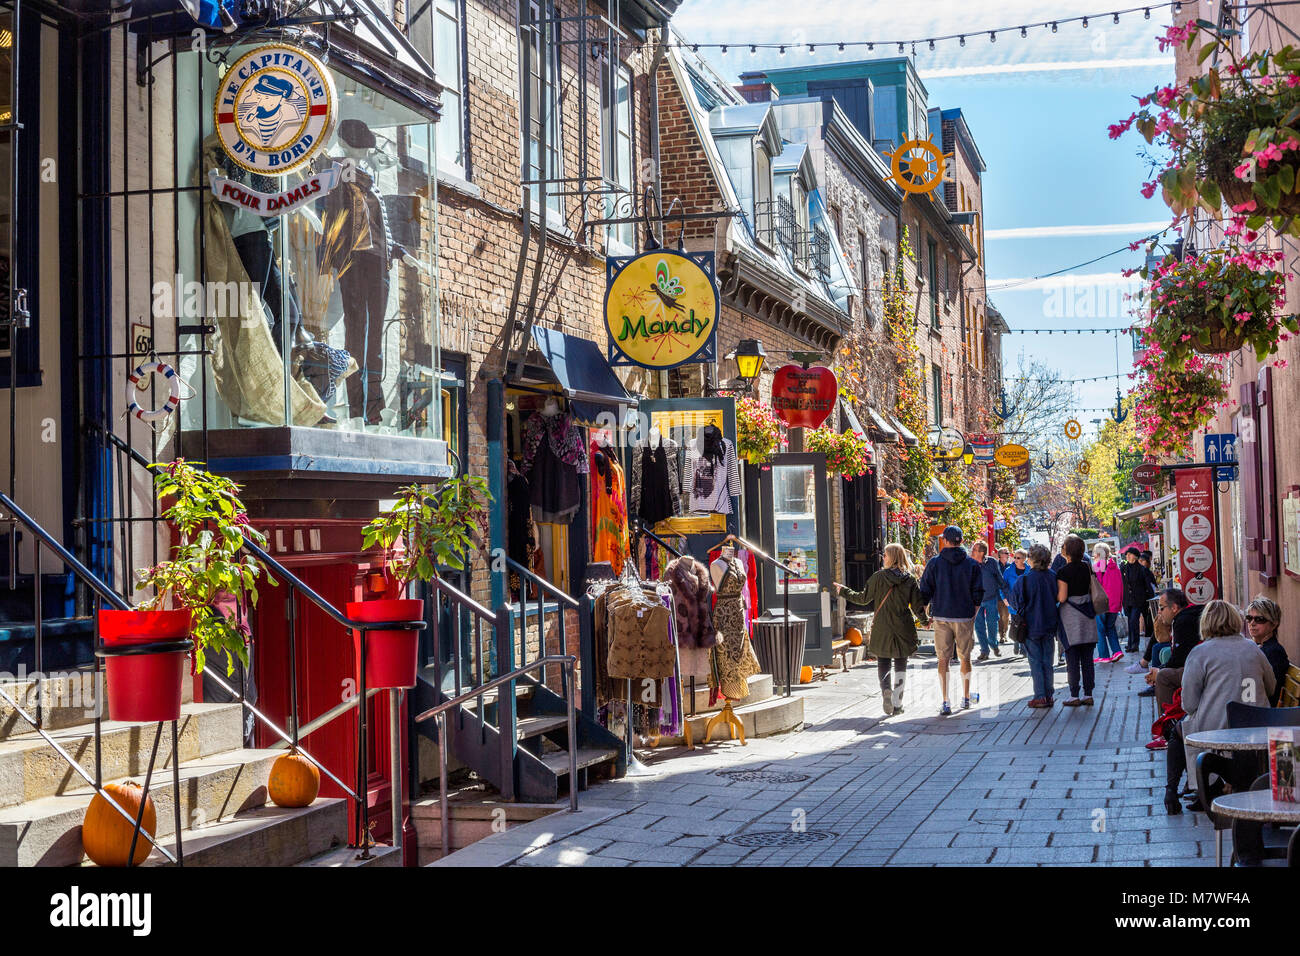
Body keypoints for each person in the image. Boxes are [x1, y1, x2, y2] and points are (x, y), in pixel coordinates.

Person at [1163, 600, 1276, 815]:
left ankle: (1172, 791)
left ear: (1206, 623)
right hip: (1255, 724)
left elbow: (1189, 703)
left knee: (1178, 732)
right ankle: (1210, 787)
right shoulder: (1252, 648)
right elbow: (1270, 687)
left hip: (1217, 728)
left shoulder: (1200, 653)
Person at [838, 543, 928, 716]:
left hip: (882, 626)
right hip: (903, 627)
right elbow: (917, 606)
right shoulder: (909, 580)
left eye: (885, 555)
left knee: (883, 662)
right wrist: (924, 622)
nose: (883, 558)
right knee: (901, 665)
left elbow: (863, 599)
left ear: (892, 557)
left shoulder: (878, 577)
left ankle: (886, 690)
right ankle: (898, 703)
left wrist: (844, 591)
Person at [918, 525, 983, 716]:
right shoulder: (972, 564)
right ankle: (965, 697)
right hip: (964, 615)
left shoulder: (935, 563)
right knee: (965, 657)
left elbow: (925, 591)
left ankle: (945, 700)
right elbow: (978, 593)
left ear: (945, 541)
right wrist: (973, 614)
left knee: (943, 659)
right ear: (961, 541)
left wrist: (924, 615)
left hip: (942, 616)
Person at [1144, 588, 1204, 719]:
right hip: (1199, 666)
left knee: (1164, 677)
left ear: (1174, 608)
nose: (1159, 612)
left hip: (1202, 670)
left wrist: (1159, 671)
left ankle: (1167, 724)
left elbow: (1179, 659)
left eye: (1162, 607)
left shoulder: (1183, 621)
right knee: (1160, 657)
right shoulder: (1186, 616)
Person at [1012, 545, 1059, 708]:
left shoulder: (1024, 580)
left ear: (1032, 560)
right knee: (1048, 661)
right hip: (1050, 624)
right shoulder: (1053, 576)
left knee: (1035, 661)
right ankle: (1049, 694)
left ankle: (1040, 696)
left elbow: (1016, 602)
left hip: (1031, 625)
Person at [1055, 534, 1099, 706]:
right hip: (1088, 614)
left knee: (1072, 657)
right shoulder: (1087, 567)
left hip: (1071, 618)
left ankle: (1074, 694)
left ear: (1067, 551)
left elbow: (1063, 597)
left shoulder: (1063, 572)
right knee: (1088, 658)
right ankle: (1088, 694)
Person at [1244, 596, 1290, 706]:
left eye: (1259, 619)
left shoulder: (1273, 652)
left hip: (1263, 713)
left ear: (1274, 624)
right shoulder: (1260, 647)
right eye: (1249, 618)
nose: (1252, 623)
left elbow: (1266, 691)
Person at [971, 540, 1009, 661]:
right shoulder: (970, 563)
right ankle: (984, 651)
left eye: (974, 549)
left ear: (982, 552)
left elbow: (999, 577)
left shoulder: (991, 562)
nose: (972, 551)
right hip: (975, 601)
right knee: (979, 626)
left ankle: (993, 644)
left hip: (991, 598)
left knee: (992, 623)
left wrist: (1007, 593)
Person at [1121, 544, 1157, 662]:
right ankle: (1130, 642)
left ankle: (1134, 644)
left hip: (1138, 599)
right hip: (1127, 599)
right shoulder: (1124, 568)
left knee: (1133, 621)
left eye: (1129, 554)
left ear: (1135, 557)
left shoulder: (1142, 569)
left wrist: (1151, 598)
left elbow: (1148, 584)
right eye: (1127, 554)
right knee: (1130, 620)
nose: (1127, 556)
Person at [1092, 543, 1125, 663]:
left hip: (1102, 604)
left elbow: (1097, 585)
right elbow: (1121, 586)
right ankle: (1117, 651)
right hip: (1115, 604)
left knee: (1100, 629)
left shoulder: (1098, 566)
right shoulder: (1115, 567)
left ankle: (1104, 655)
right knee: (1110, 628)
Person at [1003, 549, 1029, 655]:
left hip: (1026, 603)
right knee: (1016, 624)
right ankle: (1016, 643)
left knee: (1025, 624)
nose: (1015, 560)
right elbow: (1003, 586)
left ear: (1024, 559)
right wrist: (1005, 598)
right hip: (1013, 603)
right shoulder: (1008, 571)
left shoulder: (1030, 570)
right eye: (1015, 557)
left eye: (1018, 558)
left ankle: (1023, 648)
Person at [996, 547, 1013, 645]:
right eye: (1006, 553)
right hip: (997, 595)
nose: (1008, 554)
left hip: (1007, 595)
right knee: (999, 616)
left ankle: (1004, 633)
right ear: (1000, 555)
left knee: (1005, 616)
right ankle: (1001, 635)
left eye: (1008, 553)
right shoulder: (995, 565)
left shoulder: (1010, 567)